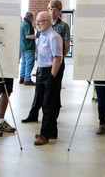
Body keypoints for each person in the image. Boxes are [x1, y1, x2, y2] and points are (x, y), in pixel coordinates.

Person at [22, 0, 70, 123]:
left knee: (53, 91)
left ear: (59, 11)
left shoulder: (63, 26)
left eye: (54, 9)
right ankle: (33, 114)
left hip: (55, 63)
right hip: (42, 65)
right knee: (39, 91)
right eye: (49, 8)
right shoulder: (42, 25)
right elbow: (38, 41)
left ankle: (52, 117)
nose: (51, 11)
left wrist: (58, 60)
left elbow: (65, 45)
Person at [33, 11, 63, 145]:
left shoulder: (53, 37)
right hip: (40, 71)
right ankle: (52, 132)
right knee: (45, 102)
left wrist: (51, 77)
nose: (37, 23)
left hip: (50, 72)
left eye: (40, 21)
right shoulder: (41, 35)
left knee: (48, 104)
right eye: (37, 20)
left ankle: (45, 135)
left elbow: (57, 58)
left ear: (48, 22)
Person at [19, 11, 36, 86]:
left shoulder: (22, 23)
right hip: (28, 47)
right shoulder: (27, 24)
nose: (33, 19)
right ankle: (27, 80)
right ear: (30, 17)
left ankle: (22, 78)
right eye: (33, 17)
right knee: (29, 64)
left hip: (23, 47)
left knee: (24, 63)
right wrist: (38, 36)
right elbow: (28, 36)